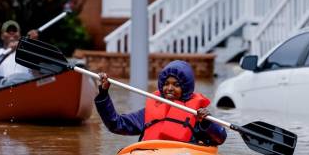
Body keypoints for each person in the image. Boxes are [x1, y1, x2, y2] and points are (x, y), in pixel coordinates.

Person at [94, 60, 227, 146]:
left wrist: (206, 122)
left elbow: (219, 138)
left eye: (176, 85)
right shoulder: (149, 113)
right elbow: (116, 124)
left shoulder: (197, 114)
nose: (169, 88)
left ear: (185, 88)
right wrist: (104, 94)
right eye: (166, 84)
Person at [0, 20, 39, 89]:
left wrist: (32, 43)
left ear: (19, 35)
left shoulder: (29, 53)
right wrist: (9, 51)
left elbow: (37, 75)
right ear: (2, 36)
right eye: (8, 31)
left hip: (24, 87)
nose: (12, 33)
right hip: (1, 89)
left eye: (15, 31)